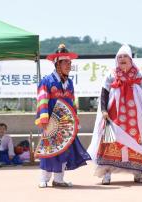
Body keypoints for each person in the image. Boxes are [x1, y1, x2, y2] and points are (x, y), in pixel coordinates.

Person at [88, 44, 142, 185]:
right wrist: (104, 111)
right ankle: (106, 173)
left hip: (136, 119)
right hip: (113, 117)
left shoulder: (140, 76)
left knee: (139, 142)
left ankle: (138, 173)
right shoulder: (110, 75)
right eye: (119, 57)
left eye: (125, 56)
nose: (122, 59)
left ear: (131, 60)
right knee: (109, 143)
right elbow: (104, 94)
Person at [35, 44, 91, 188]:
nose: (69, 65)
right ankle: (44, 179)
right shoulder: (47, 81)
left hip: (66, 124)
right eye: (65, 62)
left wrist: (75, 120)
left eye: (70, 63)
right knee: (49, 150)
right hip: (51, 123)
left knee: (64, 151)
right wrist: (44, 119)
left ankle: (59, 179)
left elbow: (72, 103)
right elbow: (42, 100)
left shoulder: (70, 83)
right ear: (57, 64)